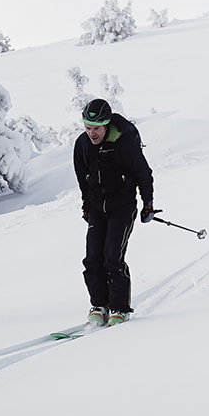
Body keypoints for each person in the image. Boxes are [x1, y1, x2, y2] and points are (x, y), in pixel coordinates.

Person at [72, 98, 155, 327]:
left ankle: (119, 308)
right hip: (97, 207)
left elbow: (143, 174)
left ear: (106, 125)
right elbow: (83, 180)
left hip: (122, 206)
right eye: (88, 128)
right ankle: (99, 305)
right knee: (92, 259)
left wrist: (148, 204)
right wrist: (86, 206)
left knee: (112, 257)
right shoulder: (82, 145)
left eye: (96, 129)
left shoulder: (124, 143)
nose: (92, 133)